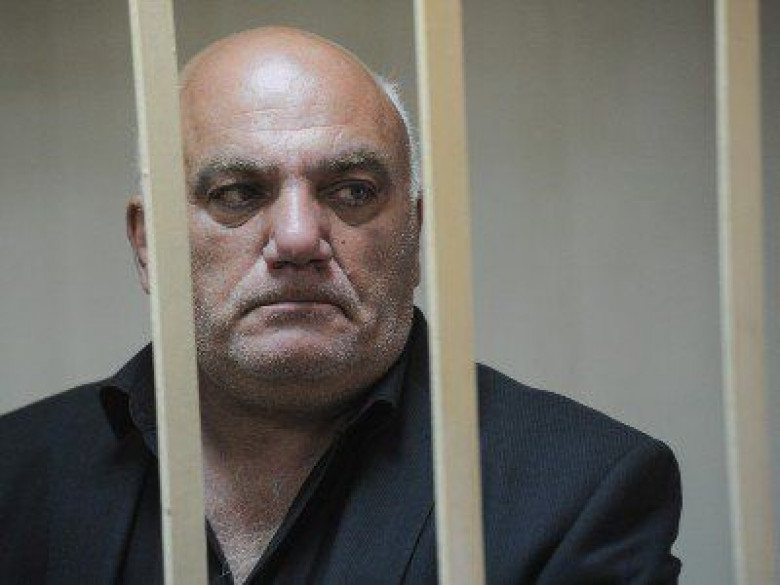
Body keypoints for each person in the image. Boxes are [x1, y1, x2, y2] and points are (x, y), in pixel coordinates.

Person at [0, 27, 681, 584]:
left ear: (415, 234)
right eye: (237, 193)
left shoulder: (577, 492)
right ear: (149, 242)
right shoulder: (14, 478)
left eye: (352, 191)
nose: (298, 238)